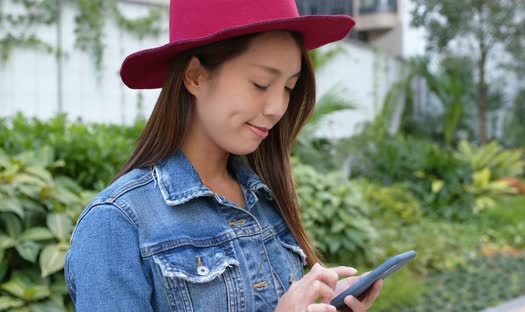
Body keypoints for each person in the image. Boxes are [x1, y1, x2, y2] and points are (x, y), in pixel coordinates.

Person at [64, 0, 383, 311]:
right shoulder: (116, 222)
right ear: (195, 77)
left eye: (288, 87)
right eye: (260, 84)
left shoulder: (265, 199)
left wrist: (326, 303)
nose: (276, 108)